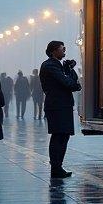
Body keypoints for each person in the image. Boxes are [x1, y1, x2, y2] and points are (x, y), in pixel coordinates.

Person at [40, 41, 80, 179]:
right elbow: (68, 83)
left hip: (62, 105)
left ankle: (58, 166)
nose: (65, 52)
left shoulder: (58, 65)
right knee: (58, 136)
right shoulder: (50, 66)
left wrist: (69, 69)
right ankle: (56, 168)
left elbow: (73, 82)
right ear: (53, 51)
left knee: (63, 135)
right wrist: (70, 78)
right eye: (62, 49)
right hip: (57, 106)